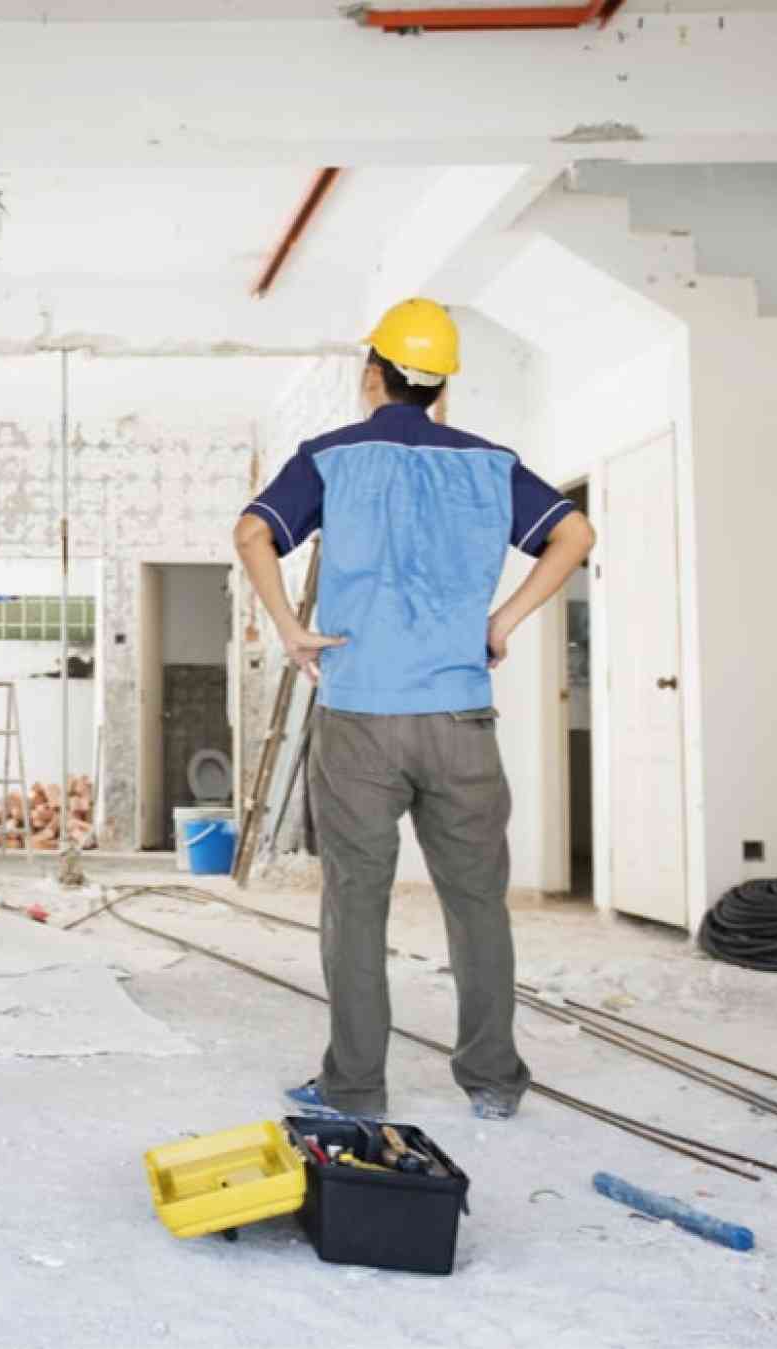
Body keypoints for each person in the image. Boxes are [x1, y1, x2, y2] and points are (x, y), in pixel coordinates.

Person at [232, 298, 596, 1122]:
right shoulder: (491, 464)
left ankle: (355, 1090)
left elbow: (253, 532)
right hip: (462, 715)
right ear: (442, 391)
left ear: (373, 377)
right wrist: (499, 622)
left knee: (355, 906)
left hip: (360, 717)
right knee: (476, 904)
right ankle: (494, 1084)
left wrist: (291, 629)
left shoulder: (330, 457)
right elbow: (573, 535)